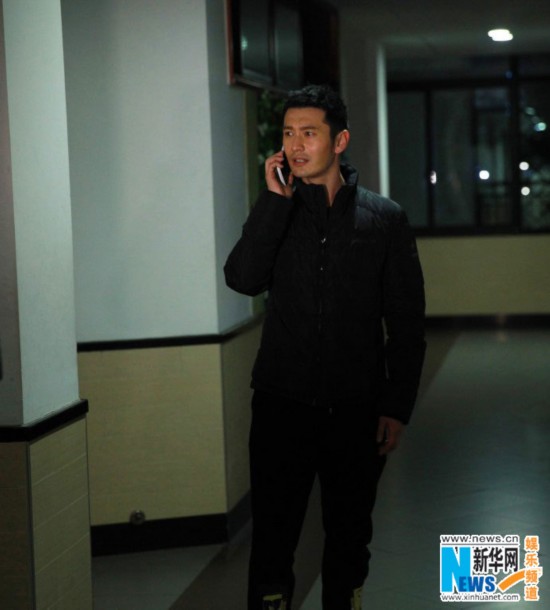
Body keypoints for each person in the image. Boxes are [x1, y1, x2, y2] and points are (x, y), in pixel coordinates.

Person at [224, 84, 426, 610]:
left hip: (355, 408)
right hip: (281, 405)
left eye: (308, 133)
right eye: (288, 133)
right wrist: (273, 202)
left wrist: (396, 406)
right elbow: (243, 279)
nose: (295, 145)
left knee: (349, 537)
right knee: (273, 539)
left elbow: (406, 322)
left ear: (340, 141)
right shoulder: (277, 210)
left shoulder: (384, 219)